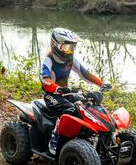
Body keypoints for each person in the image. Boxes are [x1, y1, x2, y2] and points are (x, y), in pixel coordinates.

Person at [41, 27, 111, 155]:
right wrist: (56, 88)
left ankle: (90, 137)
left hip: (66, 93)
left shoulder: (70, 60)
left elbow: (85, 74)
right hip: (52, 95)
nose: (70, 51)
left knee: (87, 105)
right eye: (67, 47)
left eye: (73, 47)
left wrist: (102, 83)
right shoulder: (49, 60)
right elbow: (44, 80)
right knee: (70, 110)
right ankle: (54, 141)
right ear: (56, 45)